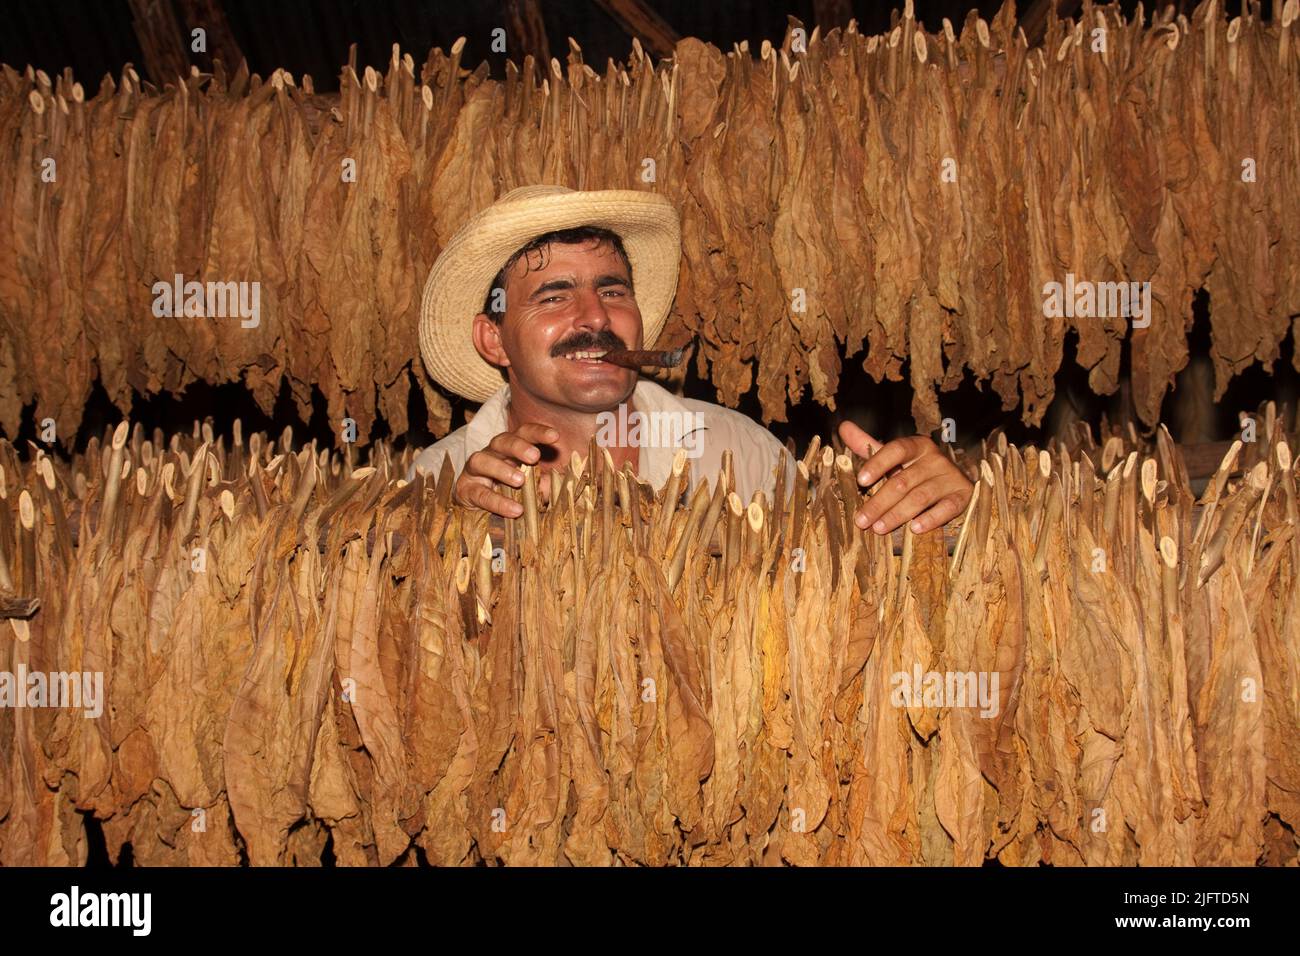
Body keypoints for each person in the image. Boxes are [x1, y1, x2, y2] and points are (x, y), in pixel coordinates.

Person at [412, 185, 973, 536]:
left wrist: (946, 514)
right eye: (554, 296)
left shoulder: (739, 449)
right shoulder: (433, 483)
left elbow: (850, 577)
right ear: (493, 340)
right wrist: (450, 540)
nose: (596, 319)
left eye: (612, 291)